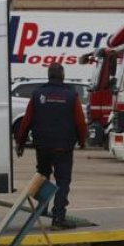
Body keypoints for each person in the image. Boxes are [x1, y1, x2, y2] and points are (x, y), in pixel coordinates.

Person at [14, 63, 88, 229]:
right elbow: (80, 122)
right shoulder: (71, 95)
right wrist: (82, 140)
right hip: (63, 147)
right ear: (62, 75)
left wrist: (20, 142)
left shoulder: (38, 94)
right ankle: (58, 218)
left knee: (43, 176)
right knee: (62, 182)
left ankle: (41, 209)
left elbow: (27, 120)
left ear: (48, 75)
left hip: (42, 146)